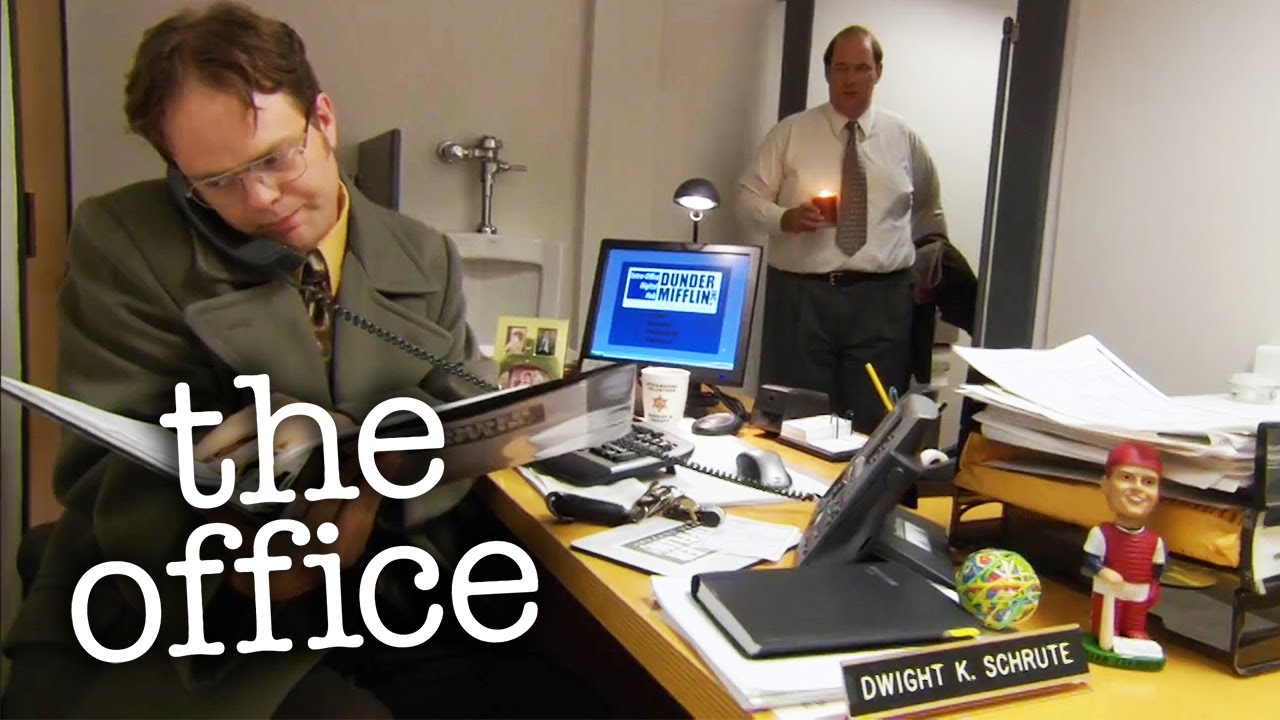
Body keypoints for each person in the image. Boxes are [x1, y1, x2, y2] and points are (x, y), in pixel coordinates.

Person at [1, 3, 603, 717]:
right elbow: (106, 468)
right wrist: (250, 559)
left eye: (274, 158)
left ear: (323, 119)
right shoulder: (125, 239)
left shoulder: (423, 253)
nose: (260, 199)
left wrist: (367, 467)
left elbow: (459, 415)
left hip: (385, 583)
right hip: (194, 609)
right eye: (216, 181)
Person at [737, 25, 947, 433]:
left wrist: (924, 274)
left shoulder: (903, 138)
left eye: (861, 68)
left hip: (881, 302)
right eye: (840, 68)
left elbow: (929, 210)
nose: (850, 79)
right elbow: (747, 199)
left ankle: (863, 477)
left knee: (874, 423)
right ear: (827, 72)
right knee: (798, 421)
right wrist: (785, 218)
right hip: (803, 300)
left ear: (878, 72)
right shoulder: (791, 132)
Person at [1082, 441, 1166, 648]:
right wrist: (1103, 572)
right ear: (1105, 484)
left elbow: (1156, 569)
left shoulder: (1155, 542)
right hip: (1109, 591)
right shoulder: (1101, 534)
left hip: (1139, 594)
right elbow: (1090, 560)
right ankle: (1107, 633)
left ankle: (1134, 630)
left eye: (1148, 482)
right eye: (1126, 478)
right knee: (1108, 623)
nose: (1138, 488)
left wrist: (1154, 587)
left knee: (1135, 621)